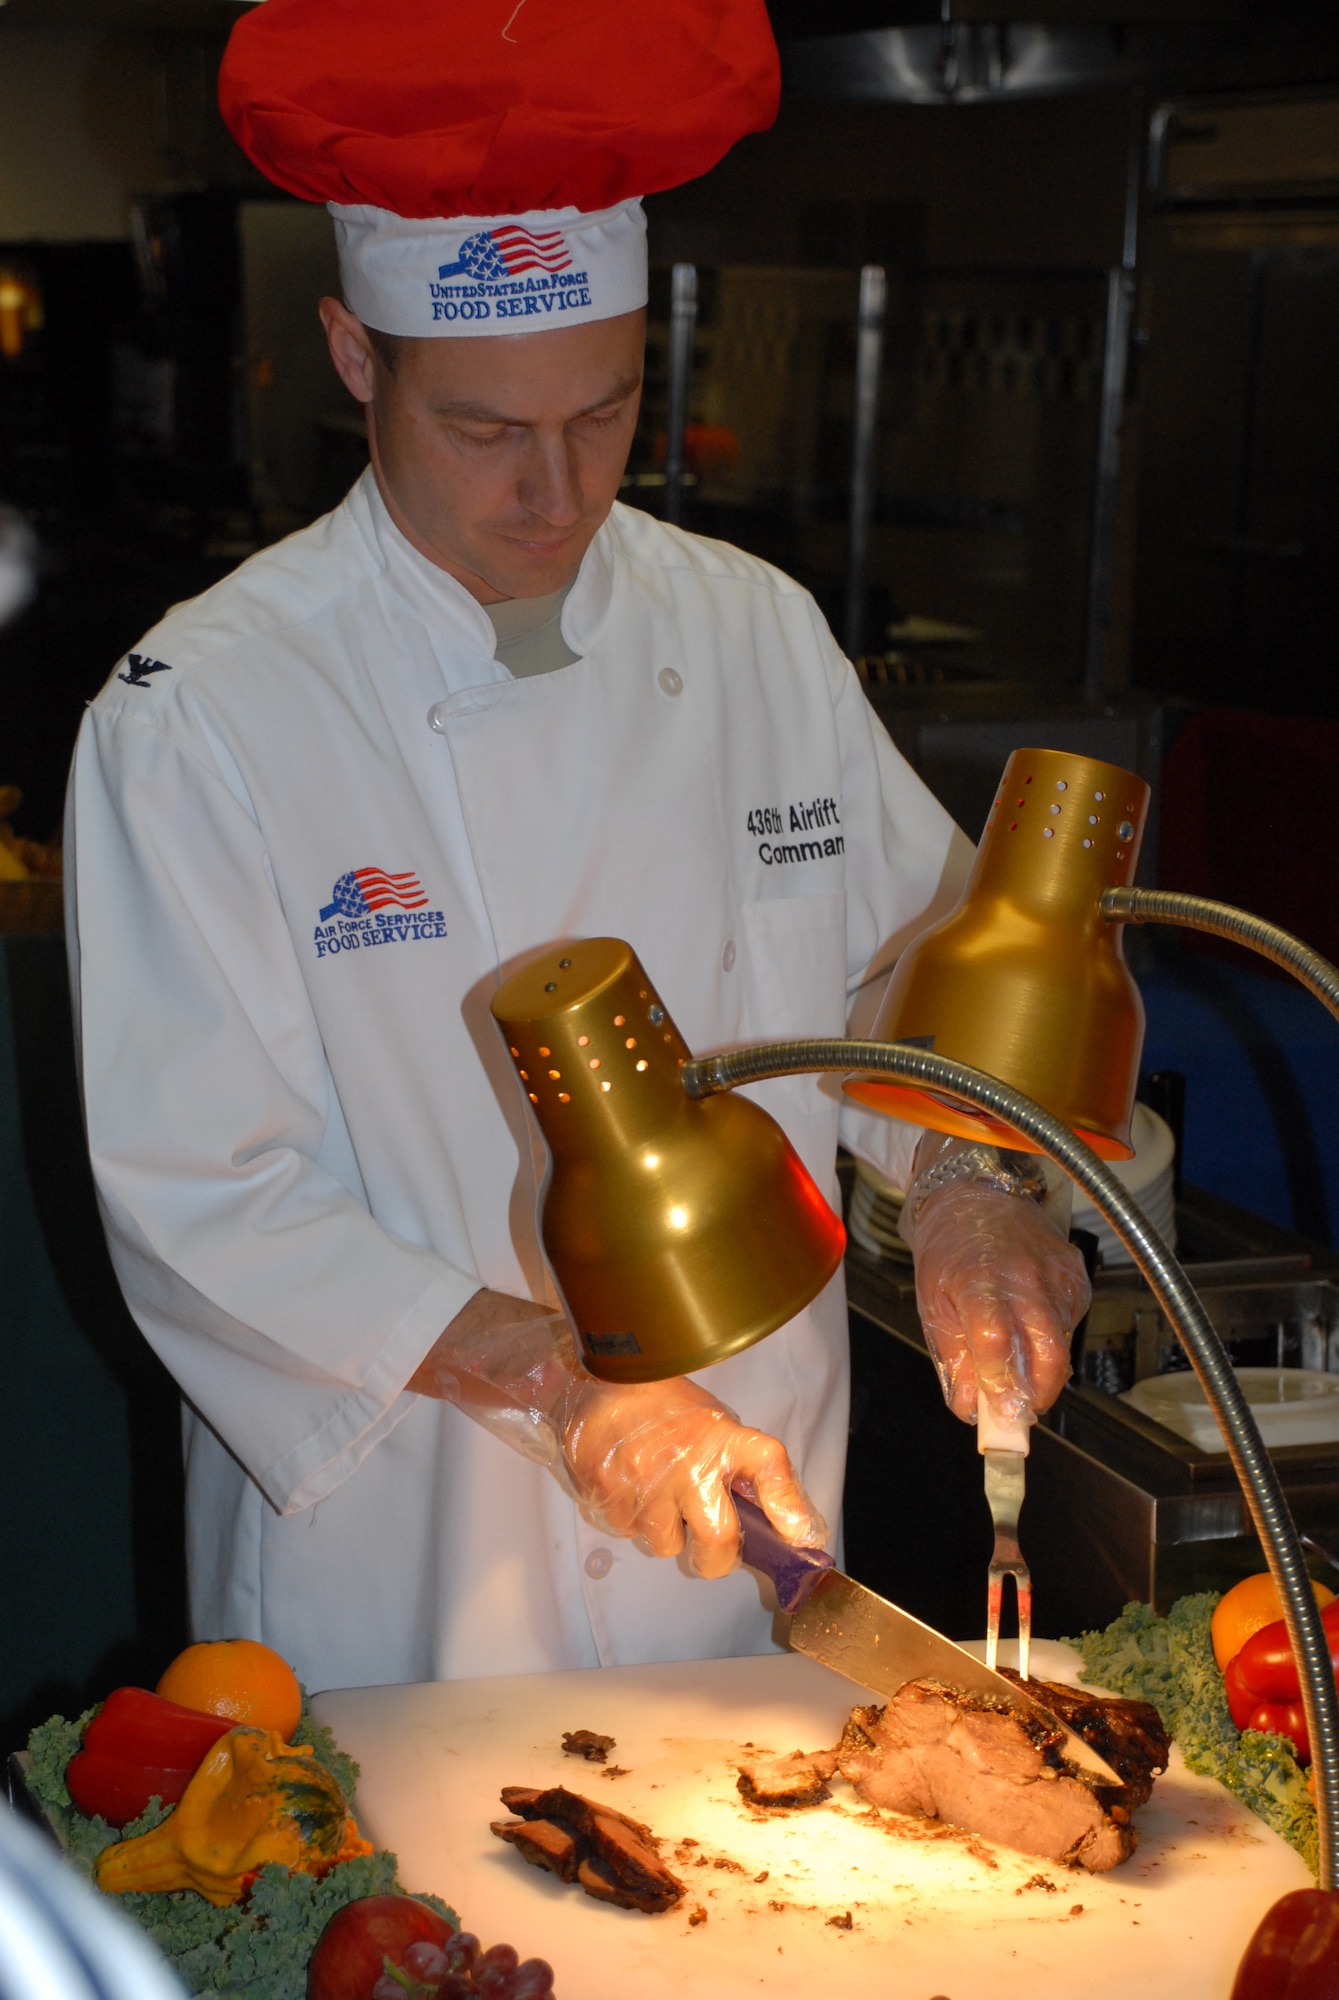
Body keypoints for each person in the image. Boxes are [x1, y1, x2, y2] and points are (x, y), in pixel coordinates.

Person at [65, 0, 1088, 1694]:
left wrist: (972, 1185)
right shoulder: (203, 714)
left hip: (746, 1542)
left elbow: (915, 973)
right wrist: (563, 1377)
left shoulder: (751, 632)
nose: (554, 493)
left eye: (603, 416)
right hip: (403, 1566)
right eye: (482, 431)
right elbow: (203, 1197)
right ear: (352, 353)